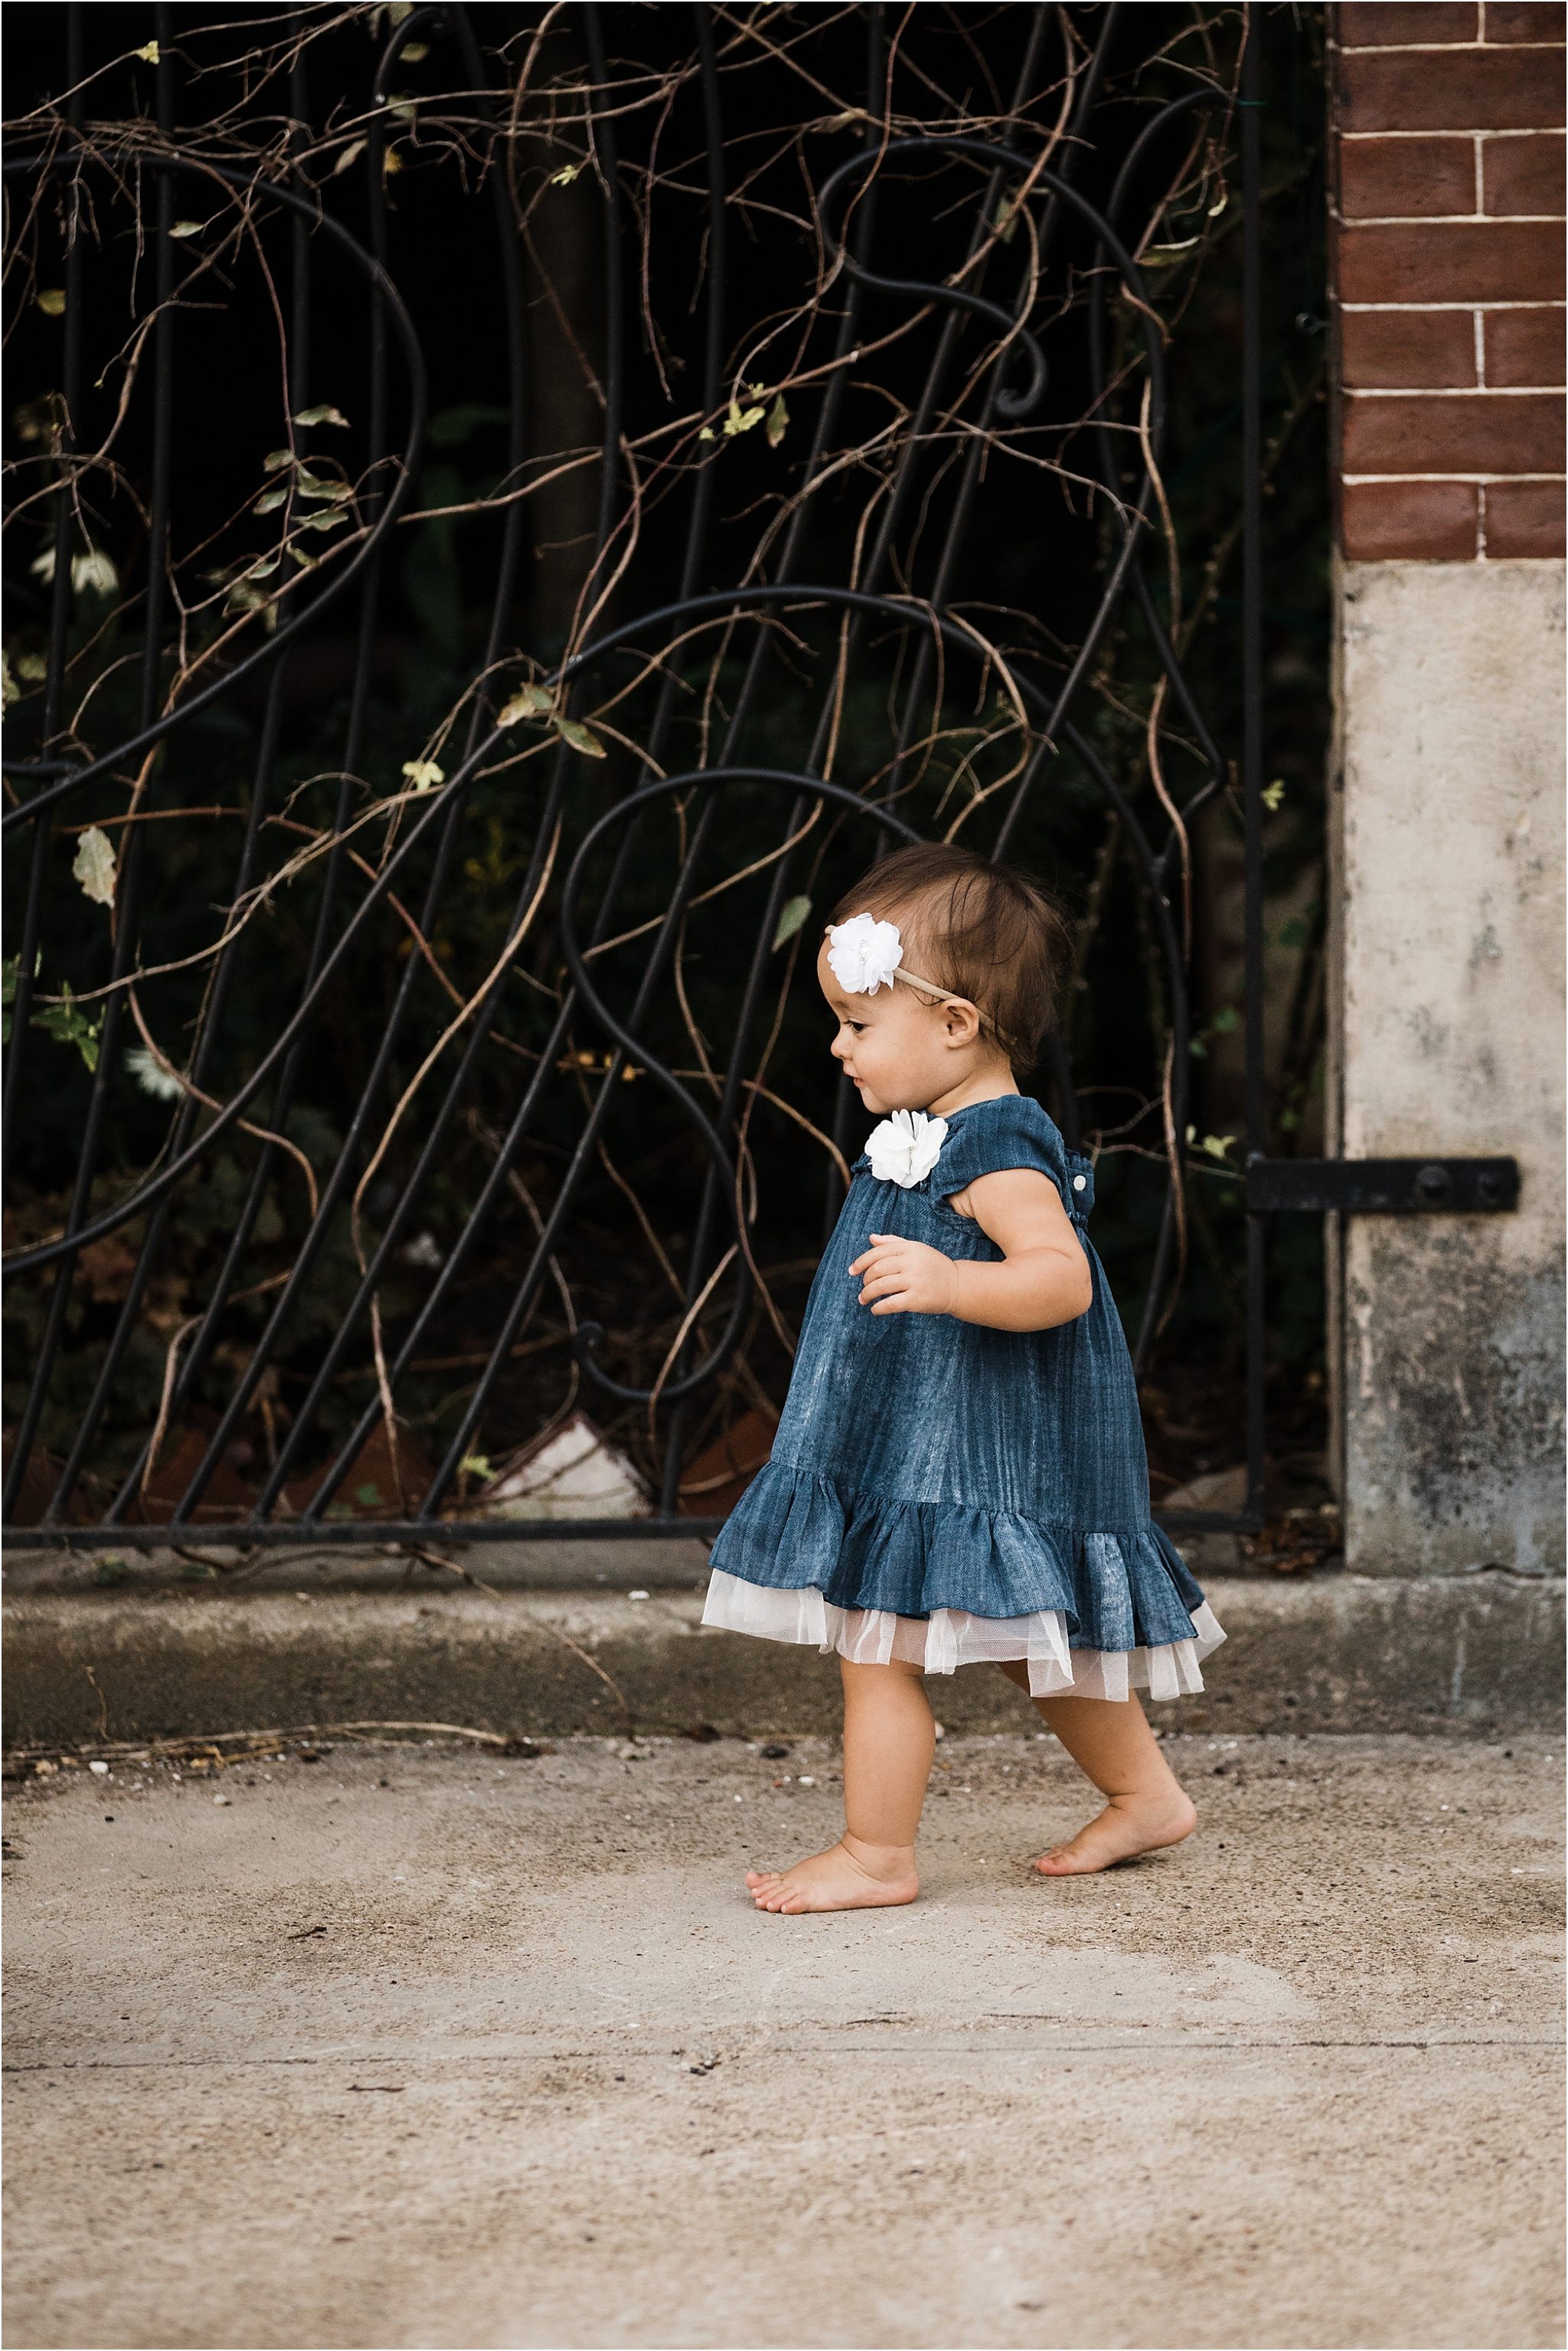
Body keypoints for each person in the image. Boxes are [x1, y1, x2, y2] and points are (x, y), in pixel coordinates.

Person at [701, 842, 1224, 1913]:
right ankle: (1148, 1797)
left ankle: (876, 1852)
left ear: (953, 1024)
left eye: (857, 1023)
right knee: (1042, 1643)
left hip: (982, 1444)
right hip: (940, 1441)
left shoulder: (994, 1152)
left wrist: (948, 1279)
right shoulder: (931, 1135)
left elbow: (1060, 1279)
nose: (837, 1046)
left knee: (873, 1641)